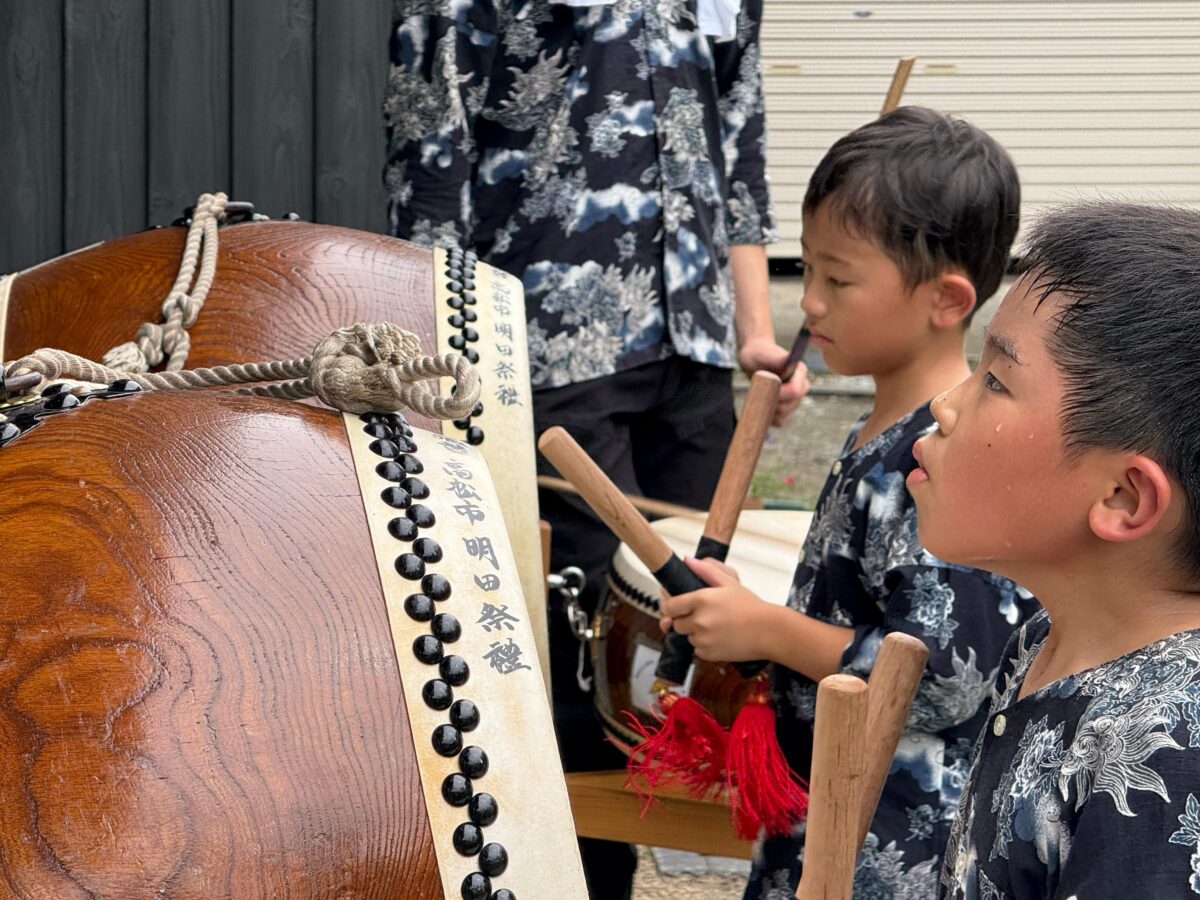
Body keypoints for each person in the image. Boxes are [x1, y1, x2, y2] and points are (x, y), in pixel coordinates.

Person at [382, 2, 807, 896]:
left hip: (693, 343)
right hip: (542, 347)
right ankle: (582, 876)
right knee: (578, 646)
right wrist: (441, 368)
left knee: (705, 625)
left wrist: (756, 333)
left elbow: (739, 149)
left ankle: (732, 860)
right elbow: (429, 166)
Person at [657, 106, 1039, 898]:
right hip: (828, 812)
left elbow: (943, 675)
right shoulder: (884, 424)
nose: (813, 304)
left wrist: (769, 628)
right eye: (811, 271)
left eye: (839, 278)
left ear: (946, 298)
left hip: (890, 846)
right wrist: (753, 622)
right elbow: (857, 612)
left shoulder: (941, 454)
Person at [908, 203, 1200, 899]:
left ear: (1125, 499)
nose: (945, 405)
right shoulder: (1048, 634)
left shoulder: (1174, 755)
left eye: (996, 382)